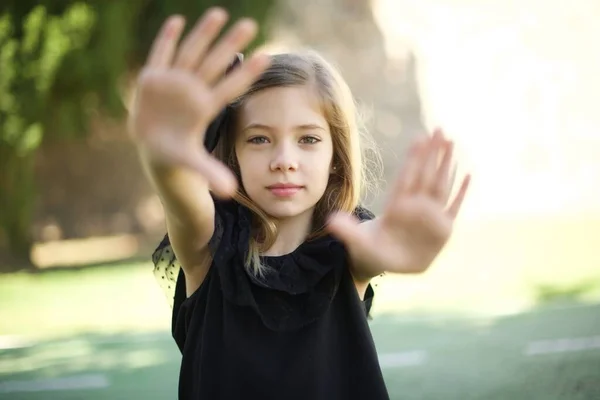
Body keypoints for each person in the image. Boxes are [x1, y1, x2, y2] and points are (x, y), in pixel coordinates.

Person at [129, 7, 470, 400]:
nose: (285, 159)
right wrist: (164, 157)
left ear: (336, 156)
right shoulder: (207, 244)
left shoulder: (350, 247)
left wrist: (399, 240)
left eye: (308, 139)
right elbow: (179, 192)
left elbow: (375, 242)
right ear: (233, 151)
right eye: (259, 138)